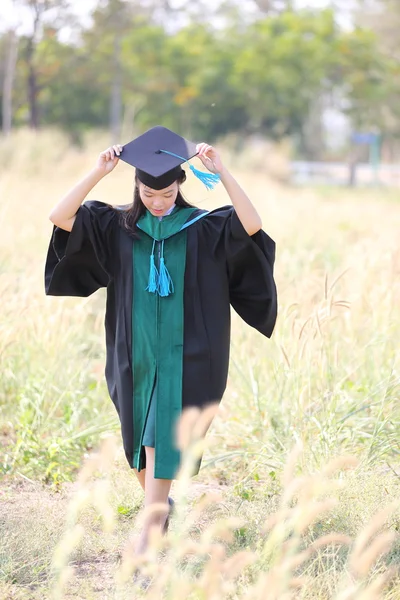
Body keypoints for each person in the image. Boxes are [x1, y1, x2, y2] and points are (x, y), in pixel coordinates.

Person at [45, 126, 277, 555]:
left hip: (191, 351)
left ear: (180, 187)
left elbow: (252, 225)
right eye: (150, 194)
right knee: (139, 439)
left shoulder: (204, 227)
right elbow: (61, 216)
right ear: (136, 186)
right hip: (134, 351)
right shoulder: (116, 225)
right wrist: (97, 171)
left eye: (167, 194)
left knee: (160, 434)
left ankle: (149, 530)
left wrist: (222, 172)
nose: (158, 202)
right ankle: (161, 505)